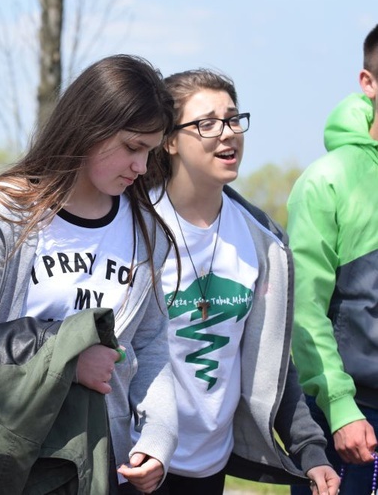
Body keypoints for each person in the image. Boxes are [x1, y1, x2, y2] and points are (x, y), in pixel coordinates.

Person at [0, 54, 179, 494]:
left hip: (105, 468)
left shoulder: (148, 232)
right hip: (4, 464)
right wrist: (64, 359)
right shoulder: (1, 217)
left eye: (150, 150)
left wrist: (159, 438)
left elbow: (150, 344)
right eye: (131, 147)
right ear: (89, 127)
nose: (142, 167)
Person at [140, 68, 339, 495]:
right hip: (137, 460)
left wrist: (310, 449)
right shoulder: (135, 228)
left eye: (232, 119)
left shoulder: (264, 242)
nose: (228, 133)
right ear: (170, 140)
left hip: (210, 467)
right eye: (207, 123)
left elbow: (272, 365)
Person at [288, 23, 378, 495]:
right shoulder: (328, 180)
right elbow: (305, 311)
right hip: (357, 424)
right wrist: (342, 408)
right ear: (369, 83)